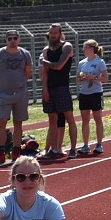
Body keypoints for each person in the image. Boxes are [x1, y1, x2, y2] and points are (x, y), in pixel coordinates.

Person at [0, 29, 33, 164]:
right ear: (6, 40)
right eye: (10, 38)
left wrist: (19, 85)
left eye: (15, 38)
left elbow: (28, 72)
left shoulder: (25, 54)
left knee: (18, 123)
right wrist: (0, 87)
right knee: (1, 122)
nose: (12, 40)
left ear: (19, 39)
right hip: (4, 94)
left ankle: (16, 151)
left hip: (20, 93)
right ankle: (0, 153)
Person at [39, 24, 77, 160]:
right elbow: (45, 73)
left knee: (69, 117)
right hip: (50, 87)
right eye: (51, 33)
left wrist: (45, 62)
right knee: (52, 120)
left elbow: (60, 66)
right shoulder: (46, 50)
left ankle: (73, 149)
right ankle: (54, 149)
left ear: (60, 34)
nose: (53, 35)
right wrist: (45, 89)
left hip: (62, 87)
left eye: (55, 33)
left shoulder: (67, 46)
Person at [76, 39, 108, 156]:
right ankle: (85, 145)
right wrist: (81, 78)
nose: (83, 50)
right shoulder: (81, 63)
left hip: (95, 93)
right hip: (84, 93)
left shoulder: (100, 62)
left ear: (91, 49)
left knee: (98, 119)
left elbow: (105, 78)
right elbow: (77, 78)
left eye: (85, 47)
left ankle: (99, 144)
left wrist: (94, 77)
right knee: (85, 120)